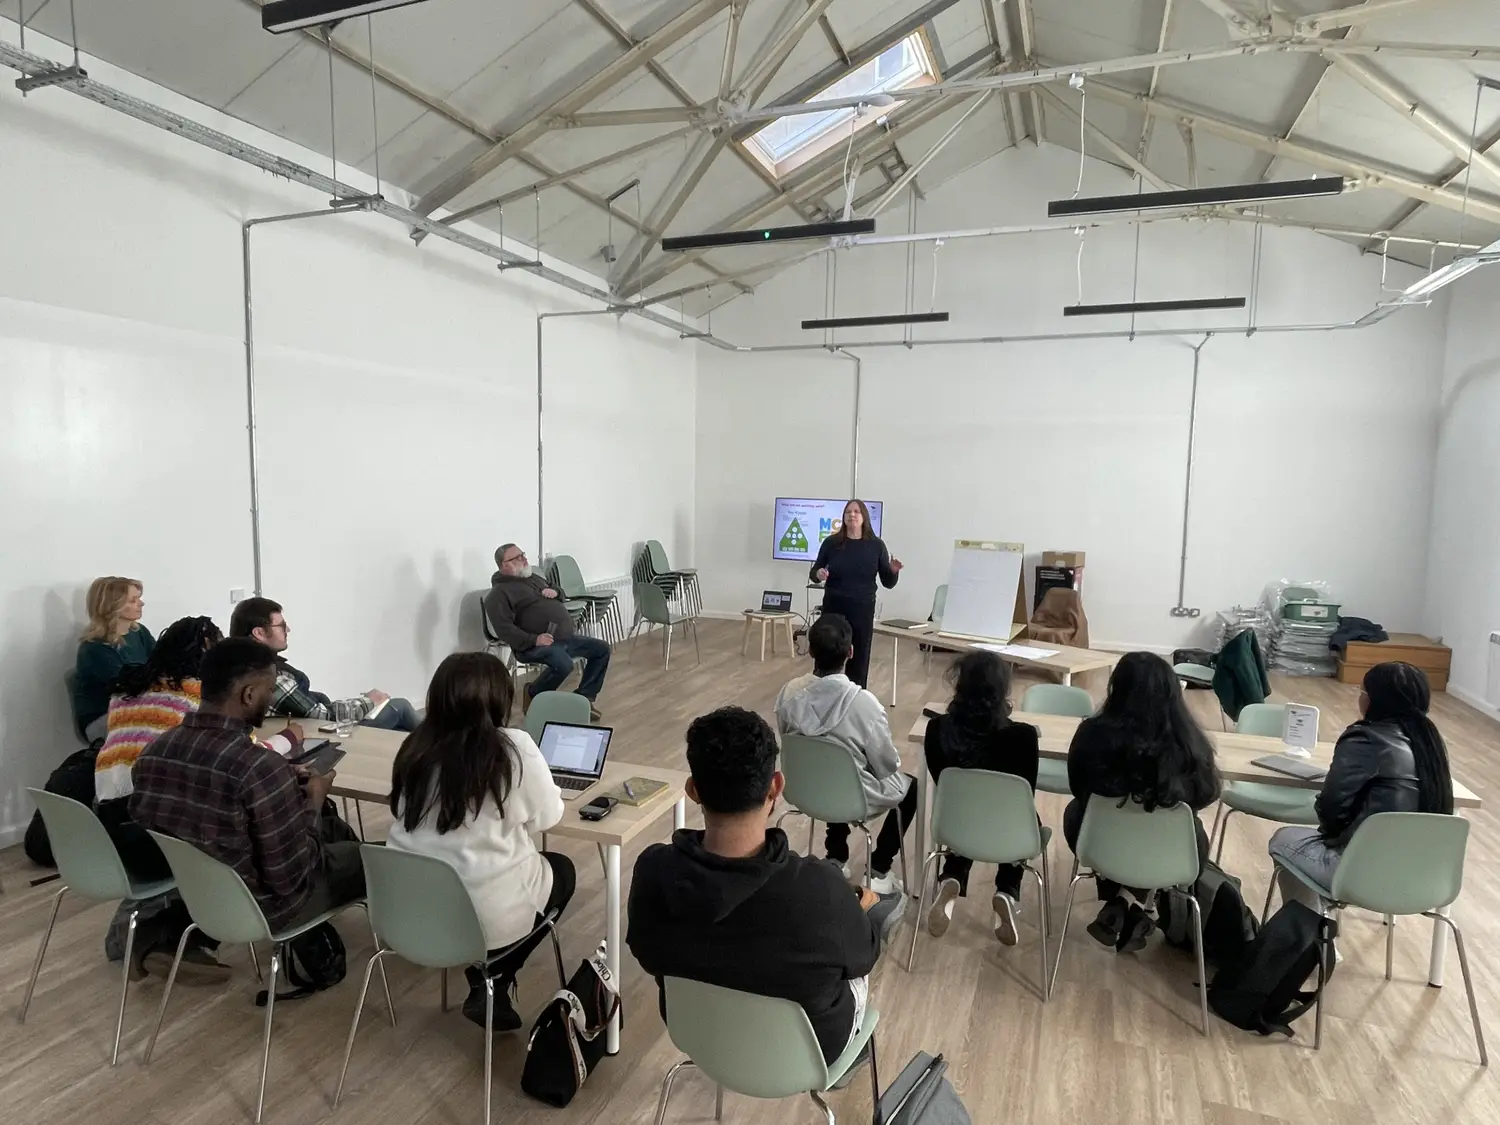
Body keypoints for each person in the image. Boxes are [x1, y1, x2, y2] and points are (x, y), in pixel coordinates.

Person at [627, 706, 903, 1067]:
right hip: (808, 1056)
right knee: (868, 927)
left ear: (694, 790)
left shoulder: (653, 871)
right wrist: (857, 913)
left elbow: (646, 953)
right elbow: (863, 957)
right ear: (776, 787)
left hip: (702, 1038)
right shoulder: (820, 888)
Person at [386, 652, 574, 1032]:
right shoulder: (512, 747)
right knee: (564, 870)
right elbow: (548, 817)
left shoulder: (414, 749)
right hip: (484, 918)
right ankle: (495, 977)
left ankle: (490, 978)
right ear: (498, 698)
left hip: (406, 911)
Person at [130, 638, 362, 943]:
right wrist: (314, 801)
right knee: (378, 856)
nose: (272, 697)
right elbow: (292, 878)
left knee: (334, 832)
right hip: (268, 909)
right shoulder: (259, 767)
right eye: (270, 690)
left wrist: (283, 783)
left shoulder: (153, 753)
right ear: (249, 694)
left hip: (197, 896)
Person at [1063, 651, 1220, 953]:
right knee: (1182, 827)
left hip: (1101, 845)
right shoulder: (1189, 743)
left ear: (1115, 688)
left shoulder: (1091, 734)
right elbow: (1206, 795)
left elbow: (1077, 787)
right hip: (1173, 853)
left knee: (1077, 812)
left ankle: (1122, 900)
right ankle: (1130, 902)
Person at [1268, 662, 1453, 914]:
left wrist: (1332, 834)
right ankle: (1317, 933)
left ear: (1375, 699)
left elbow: (1332, 808)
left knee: (1283, 839)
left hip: (1363, 872)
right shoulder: (1430, 747)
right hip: (1425, 878)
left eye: (1362, 691)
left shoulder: (1365, 739)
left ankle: (1311, 938)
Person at [775, 613, 916, 895]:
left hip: (804, 787)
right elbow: (887, 765)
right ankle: (879, 867)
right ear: (851, 652)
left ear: (811, 651)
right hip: (850, 794)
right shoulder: (865, 705)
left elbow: (788, 736)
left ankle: (836, 855)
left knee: (832, 769)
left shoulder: (788, 693)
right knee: (912, 788)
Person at [922, 650, 1041, 946]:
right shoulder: (1023, 737)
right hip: (1008, 830)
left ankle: (951, 876)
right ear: (1003, 689)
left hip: (956, 824)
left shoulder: (936, 729)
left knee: (970, 812)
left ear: (959, 684)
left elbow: (942, 781)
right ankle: (1007, 892)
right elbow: (1026, 792)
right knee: (1022, 817)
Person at [229, 596, 419, 732]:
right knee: (399, 707)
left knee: (401, 729)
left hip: (305, 727)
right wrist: (371, 701)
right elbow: (321, 714)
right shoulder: (267, 676)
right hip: (319, 732)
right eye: (280, 626)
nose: (288, 629)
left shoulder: (236, 663)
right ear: (259, 633)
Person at [486, 544, 610, 718]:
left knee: (602, 649)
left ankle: (583, 700)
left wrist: (556, 591)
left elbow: (560, 591)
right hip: (533, 645)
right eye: (517, 557)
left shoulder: (534, 578)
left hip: (564, 638)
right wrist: (534, 639)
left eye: (523, 554)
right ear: (504, 565)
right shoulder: (498, 594)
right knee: (564, 664)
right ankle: (533, 693)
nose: (524, 558)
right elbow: (504, 631)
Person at [808, 500, 901, 689]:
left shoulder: (876, 546)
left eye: (857, 511)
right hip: (834, 606)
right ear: (843, 517)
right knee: (827, 649)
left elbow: (887, 582)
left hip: (862, 608)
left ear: (864, 516)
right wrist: (818, 574)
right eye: (848, 511)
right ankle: (821, 690)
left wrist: (893, 571)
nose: (852, 515)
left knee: (859, 655)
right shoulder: (832, 542)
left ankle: (856, 696)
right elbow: (815, 571)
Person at [74, 576, 155, 742]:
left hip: (136, 706)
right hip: (103, 717)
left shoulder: (139, 632)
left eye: (138, 598)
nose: (141, 603)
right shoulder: (95, 648)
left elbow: (160, 664)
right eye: (133, 600)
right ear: (113, 606)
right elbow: (127, 690)